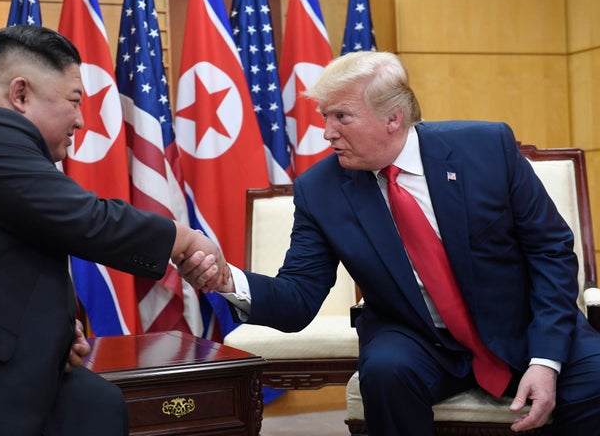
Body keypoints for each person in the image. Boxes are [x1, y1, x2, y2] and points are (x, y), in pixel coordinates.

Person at [180, 51, 600, 435]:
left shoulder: (486, 148)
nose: (327, 133)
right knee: (385, 372)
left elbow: (551, 252)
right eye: (325, 116)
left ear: (393, 118)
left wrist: (545, 360)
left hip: (519, 322)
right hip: (417, 336)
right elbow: (298, 297)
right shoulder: (320, 190)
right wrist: (226, 279)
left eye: (341, 117)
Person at [0, 25, 224, 436]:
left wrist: (56, 333)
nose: (81, 120)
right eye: (74, 101)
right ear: (20, 94)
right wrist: (183, 240)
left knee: (95, 405)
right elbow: (85, 219)